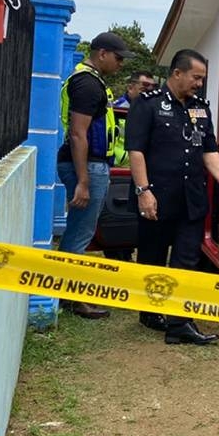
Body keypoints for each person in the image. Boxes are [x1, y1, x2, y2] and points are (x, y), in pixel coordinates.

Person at [126, 48, 219, 344]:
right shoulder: (148, 105)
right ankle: (150, 310)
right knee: (152, 256)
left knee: (187, 259)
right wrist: (144, 192)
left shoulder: (200, 107)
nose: (199, 84)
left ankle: (179, 324)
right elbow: (136, 151)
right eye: (196, 77)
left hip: (191, 200)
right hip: (157, 197)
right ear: (177, 73)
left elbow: (209, 150)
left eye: (203, 79)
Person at [57, 31, 132, 319]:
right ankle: (75, 298)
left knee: (78, 231)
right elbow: (78, 134)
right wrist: (84, 180)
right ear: (102, 54)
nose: (121, 64)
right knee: (81, 233)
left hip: (88, 164)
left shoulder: (88, 80)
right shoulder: (87, 84)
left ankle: (66, 292)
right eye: (118, 57)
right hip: (86, 165)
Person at [111, 71, 156, 167]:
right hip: (119, 168)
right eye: (144, 90)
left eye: (152, 91)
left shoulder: (152, 110)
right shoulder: (118, 108)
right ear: (130, 88)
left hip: (141, 166)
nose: (149, 95)